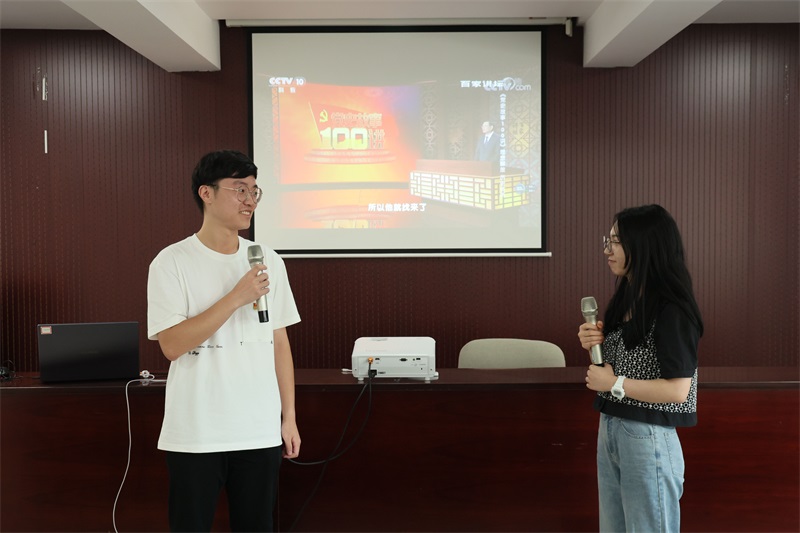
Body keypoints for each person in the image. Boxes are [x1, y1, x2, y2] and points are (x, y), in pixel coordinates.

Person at [147, 149, 301, 532]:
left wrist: (289, 417)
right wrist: (236, 297)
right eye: (239, 189)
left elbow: (279, 343)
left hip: (258, 431)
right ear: (207, 193)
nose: (250, 200)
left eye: (254, 190)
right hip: (196, 433)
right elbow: (172, 345)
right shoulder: (171, 262)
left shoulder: (268, 259)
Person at [577, 204, 703, 533]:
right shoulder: (628, 298)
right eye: (608, 240)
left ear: (644, 245)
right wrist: (593, 343)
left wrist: (613, 383)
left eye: (616, 241)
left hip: (647, 435)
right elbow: (624, 367)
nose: (607, 250)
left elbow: (678, 391)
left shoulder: (672, 309)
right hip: (612, 427)